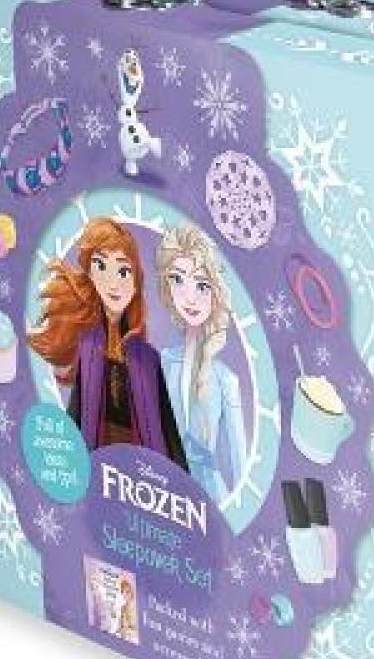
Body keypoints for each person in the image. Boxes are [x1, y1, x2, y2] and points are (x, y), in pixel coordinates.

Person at [27, 216, 187, 467]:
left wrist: (181, 480)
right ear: (90, 275)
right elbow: (77, 414)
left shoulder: (147, 359)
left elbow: (168, 431)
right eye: (101, 266)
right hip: (99, 462)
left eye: (123, 271)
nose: (113, 283)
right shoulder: (88, 346)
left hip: (143, 469)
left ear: (135, 283)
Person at [155, 225, 247, 505]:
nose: (189, 297)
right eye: (177, 279)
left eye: (202, 285)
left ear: (215, 292)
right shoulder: (162, 362)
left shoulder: (225, 380)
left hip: (209, 498)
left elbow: (240, 464)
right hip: (163, 490)